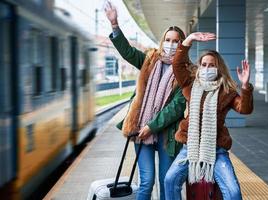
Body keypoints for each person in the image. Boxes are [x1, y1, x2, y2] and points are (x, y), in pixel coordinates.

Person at [104, 2, 187, 200]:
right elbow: (129, 53)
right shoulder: (150, 60)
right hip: (141, 131)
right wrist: (115, 24)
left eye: (176, 41)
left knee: (166, 181)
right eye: (168, 39)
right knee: (146, 181)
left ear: (182, 44)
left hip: (167, 135)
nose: (171, 44)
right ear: (162, 41)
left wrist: (152, 126)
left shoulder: (186, 72)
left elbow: (176, 108)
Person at [164, 32, 254, 200]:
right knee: (170, 180)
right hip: (189, 148)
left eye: (211, 65)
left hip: (217, 151)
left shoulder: (226, 91)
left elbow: (245, 109)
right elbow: (177, 65)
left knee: (233, 192)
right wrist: (189, 39)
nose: (206, 69)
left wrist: (245, 86)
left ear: (218, 68)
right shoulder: (190, 85)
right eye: (203, 65)